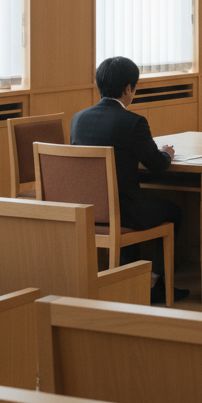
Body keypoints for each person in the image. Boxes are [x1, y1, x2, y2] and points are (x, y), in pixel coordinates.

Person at [71, 56, 188, 303]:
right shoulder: (133, 122)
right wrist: (167, 153)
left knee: (131, 204)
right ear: (129, 88)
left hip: (88, 210)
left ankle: (131, 282)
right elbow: (157, 165)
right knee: (174, 211)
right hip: (123, 211)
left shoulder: (78, 119)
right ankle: (154, 281)